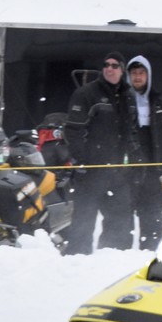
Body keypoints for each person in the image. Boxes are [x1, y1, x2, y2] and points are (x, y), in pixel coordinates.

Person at [61, 52, 132, 254]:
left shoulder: (128, 96)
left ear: (122, 70)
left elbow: (131, 132)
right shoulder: (86, 94)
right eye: (106, 64)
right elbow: (73, 130)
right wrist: (82, 160)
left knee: (120, 220)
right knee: (83, 221)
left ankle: (111, 257)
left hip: (117, 171)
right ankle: (76, 259)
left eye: (114, 65)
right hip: (91, 170)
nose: (109, 68)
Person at [122, 55, 162, 251]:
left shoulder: (159, 101)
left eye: (141, 73)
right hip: (127, 170)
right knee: (122, 217)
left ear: (148, 75)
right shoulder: (120, 100)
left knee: (153, 216)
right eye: (134, 73)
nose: (137, 77)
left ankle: (150, 254)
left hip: (153, 169)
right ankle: (118, 257)